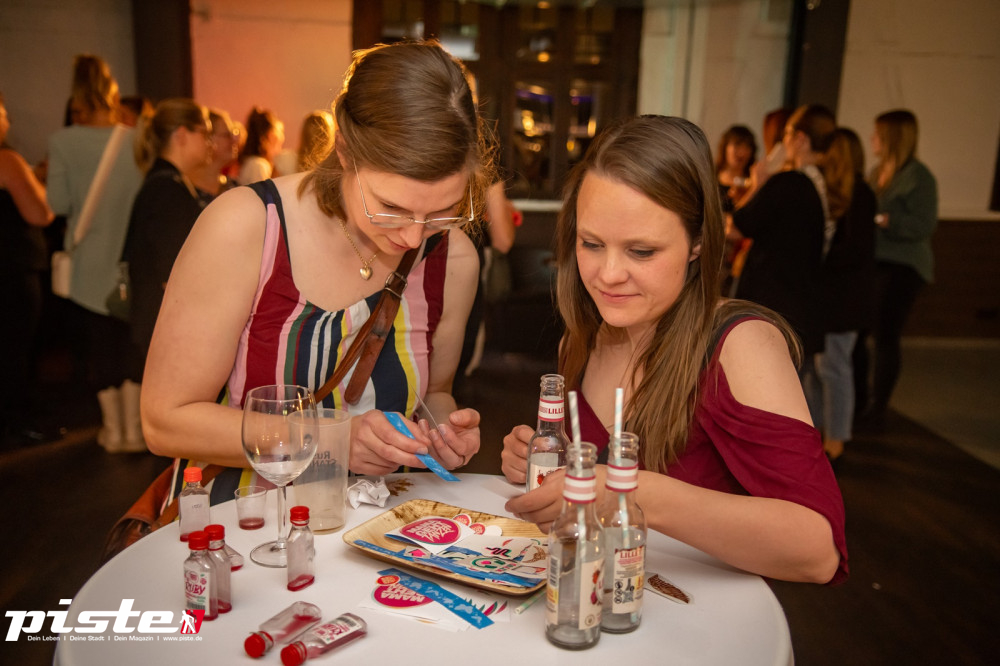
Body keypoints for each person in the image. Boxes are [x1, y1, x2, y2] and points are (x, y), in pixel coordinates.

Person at [501, 115, 847, 585]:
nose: (608, 274)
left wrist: (631, 491)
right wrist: (556, 466)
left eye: (641, 251)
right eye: (591, 244)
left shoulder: (738, 343)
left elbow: (816, 550)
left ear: (698, 244)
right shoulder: (581, 337)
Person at [142, 40, 490, 503]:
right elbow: (166, 421)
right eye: (390, 207)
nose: (413, 237)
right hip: (247, 523)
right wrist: (331, 442)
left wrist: (443, 432)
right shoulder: (247, 227)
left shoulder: (454, 259)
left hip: (384, 530)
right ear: (344, 150)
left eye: (443, 211)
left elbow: (437, 392)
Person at [46, 54, 143, 452]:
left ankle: (114, 431)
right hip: (131, 263)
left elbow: (56, 201)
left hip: (89, 265)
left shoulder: (62, 142)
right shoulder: (136, 138)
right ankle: (137, 431)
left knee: (100, 349)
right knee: (132, 346)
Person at [731, 104, 834, 360]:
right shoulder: (823, 182)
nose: (783, 142)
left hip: (773, 304)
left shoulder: (789, 183)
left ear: (800, 139)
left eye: (787, 134)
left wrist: (759, 183)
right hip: (800, 304)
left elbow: (740, 223)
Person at [858, 109, 937, 425]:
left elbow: (924, 224)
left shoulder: (918, 176)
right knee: (863, 330)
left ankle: (879, 406)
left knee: (886, 334)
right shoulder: (878, 172)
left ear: (892, 137)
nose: (872, 139)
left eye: (878, 133)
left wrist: (888, 221)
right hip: (877, 261)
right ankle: (862, 398)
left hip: (904, 265)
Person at [122, 99, 212, 376]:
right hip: (166, 325)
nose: (209, 143)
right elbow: (173, 272)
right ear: (182, 134)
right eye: (205, 133)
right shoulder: (167, 189)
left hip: (161, 321)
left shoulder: (165, 182)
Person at [803, 128, 877, 460]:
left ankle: (837, 436)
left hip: (846, 299)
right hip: (829, 297)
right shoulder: (833, 193)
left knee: (834, 366)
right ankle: (817, 430)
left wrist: (820, 258)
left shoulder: (859, 194)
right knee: (820, 366)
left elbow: (855, 251)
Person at [0, 93, 55, 446]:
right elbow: (40, 213)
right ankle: (17, 424)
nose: (8, 119)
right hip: (12, 269)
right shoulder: (7, 160)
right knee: (15, 349)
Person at [191, 108, 240, 200]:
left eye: (233, 134)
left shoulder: (234, 188)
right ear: (208, 138)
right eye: (227, 135)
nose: (234, 140)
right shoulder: (188, 190)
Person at [237, 107, 284, 184]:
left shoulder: (253, 163)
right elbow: (263, 195)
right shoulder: (258, 166)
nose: (279, 150)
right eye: (279, 142)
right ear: (270, 137)